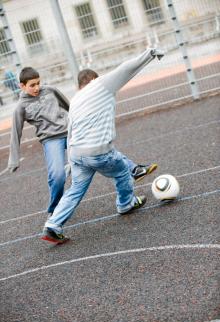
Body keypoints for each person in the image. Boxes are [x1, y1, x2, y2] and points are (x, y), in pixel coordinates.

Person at [42, 48, 164, 244]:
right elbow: (125, 69)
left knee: (75, 190)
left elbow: (70, 132)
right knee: (123, 171)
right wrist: (149, 54)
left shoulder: (75, 101)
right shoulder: (99, 85)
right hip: (97, 151)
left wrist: (70, 163)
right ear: (93, 80)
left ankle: (53, 225)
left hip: (77, 154)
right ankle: (126, 203)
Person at [8, 67, 157, 218]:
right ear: (22, 86)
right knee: (57, 176)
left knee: (100, 149)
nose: (37, 87)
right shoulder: (20, 107)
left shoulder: (50, 90)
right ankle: (55, 209)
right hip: (51, 140)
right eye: (32, 85)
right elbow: (16, 132)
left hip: (71, 133)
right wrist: (14, 160)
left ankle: (134, 170)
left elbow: (71, 106)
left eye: (38, 83)